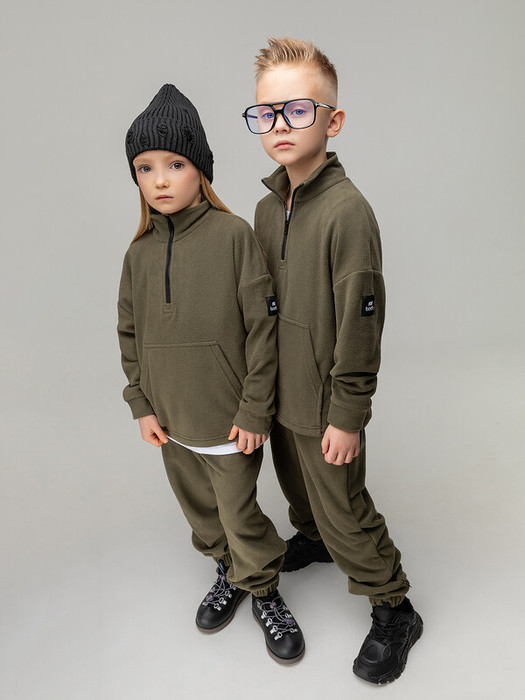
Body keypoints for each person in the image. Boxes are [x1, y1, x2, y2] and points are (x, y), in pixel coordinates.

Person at [242, 38, 422, 684]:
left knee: (344, 508)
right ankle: (312, 538)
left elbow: (360, 327)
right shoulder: (267, 210)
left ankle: (393, 606)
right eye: (266, 113)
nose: (279, 125)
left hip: (325, 405)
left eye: (297, 110)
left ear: (332, 121)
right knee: (297, 489)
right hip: (280, 396)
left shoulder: (348, 214)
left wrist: (347, 414)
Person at [117, 83, 304, 665]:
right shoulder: (138, 254)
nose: (161, 180)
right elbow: (129, 333)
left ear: (201, 168)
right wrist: (141, 403)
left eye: (175, 164)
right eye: (145, 168)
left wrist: (255, 409)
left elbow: (262, 330)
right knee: (201, 515)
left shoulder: (233, 236)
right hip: (171, 423)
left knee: (239, 514)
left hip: (228, 421)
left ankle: (263, 589)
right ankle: (228, 569)